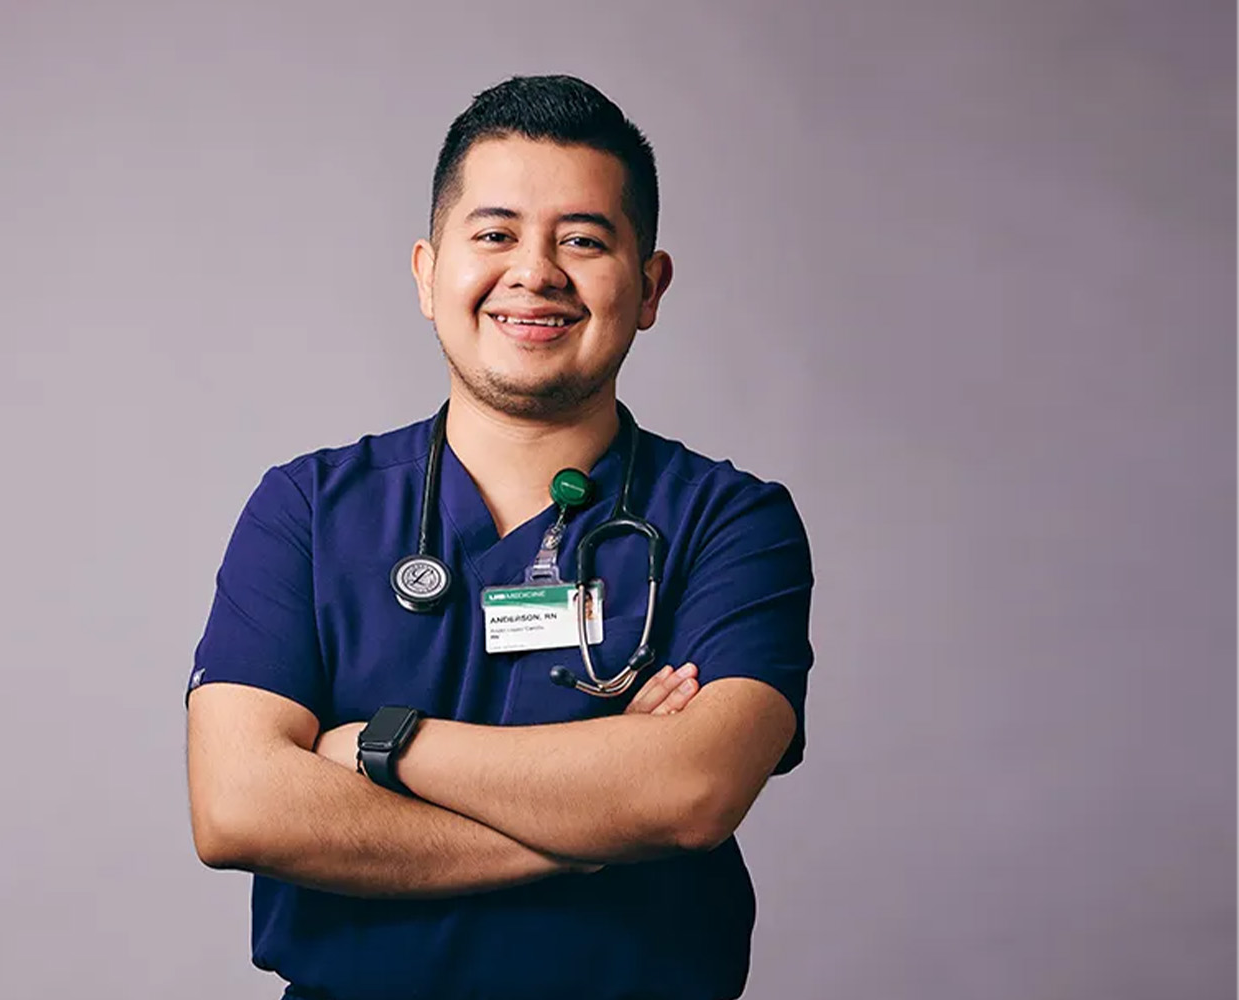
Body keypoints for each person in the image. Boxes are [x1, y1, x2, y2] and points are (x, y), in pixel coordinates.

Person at [185, 74, 814, 1000]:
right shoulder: (309, 510)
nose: (536, 272)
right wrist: (590, 835)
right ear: (427, 271)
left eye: (584, 241)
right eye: (495, 234)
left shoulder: (732, 522)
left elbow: (690, 794)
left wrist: (382, 747)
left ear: (648, 286)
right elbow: (239, 809)